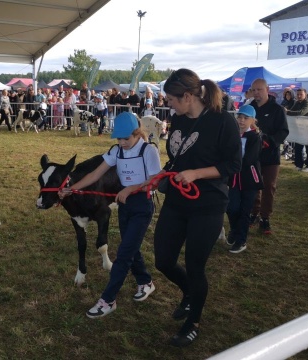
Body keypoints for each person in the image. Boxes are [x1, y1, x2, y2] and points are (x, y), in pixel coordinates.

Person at [150, 68, 241, 347]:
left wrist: (197, 174)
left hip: (208, 204)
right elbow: (179, 157)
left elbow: (233, 165)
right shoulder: (177, 120)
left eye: (172, 99)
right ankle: (190, 293)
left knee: (195, 265)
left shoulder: (223, 121)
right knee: (163, 260)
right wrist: (162, 175)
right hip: (177, 201)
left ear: (188, 96)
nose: (169, 104)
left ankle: (193, 322)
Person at [59, 112, 161, 319]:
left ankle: (108, 300)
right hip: (125, 204)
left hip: (142, 204)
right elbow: (95, 174)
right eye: (119, 138)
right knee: (130, 247)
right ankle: (145, 282)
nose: (122, 142)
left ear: (137, 133)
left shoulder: (149, 150)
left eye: (126, 138)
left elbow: (156, 180)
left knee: (123, 254)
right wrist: (72, 188)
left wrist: (130, 189)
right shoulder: (117, 151)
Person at [249, 79, 289, 234]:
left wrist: (269, 141)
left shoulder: (277, 109)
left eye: (259, 89)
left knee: (269, 186)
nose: (256, 92)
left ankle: (265, 217)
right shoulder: (249, 108)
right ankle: (254, 213)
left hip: (271, 155)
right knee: (253, 184)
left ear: (267, 89)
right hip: (253, 155)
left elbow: (283, 131)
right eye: (254, 90)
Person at [226, 105, 263, 253]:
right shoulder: (232, 134)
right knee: (232, 208)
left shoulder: (255, 137)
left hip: (249, 179)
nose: (241, 120)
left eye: (245, 118)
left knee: (245, 210)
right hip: (234, 177)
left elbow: (249, 159)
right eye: (239, 117)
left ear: (252, 120)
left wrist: (232, 161)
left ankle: (241, 240)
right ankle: (234, 230)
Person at [286, 88, 308, 172]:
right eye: (297, 94)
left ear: (305, 94)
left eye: (301, 94)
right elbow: (292, 110)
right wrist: (288, 111)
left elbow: (301, 112)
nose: (299, 96)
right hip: (300, 128)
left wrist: (287, 112)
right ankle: (299, 164)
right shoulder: (296, 102)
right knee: (298, 146)